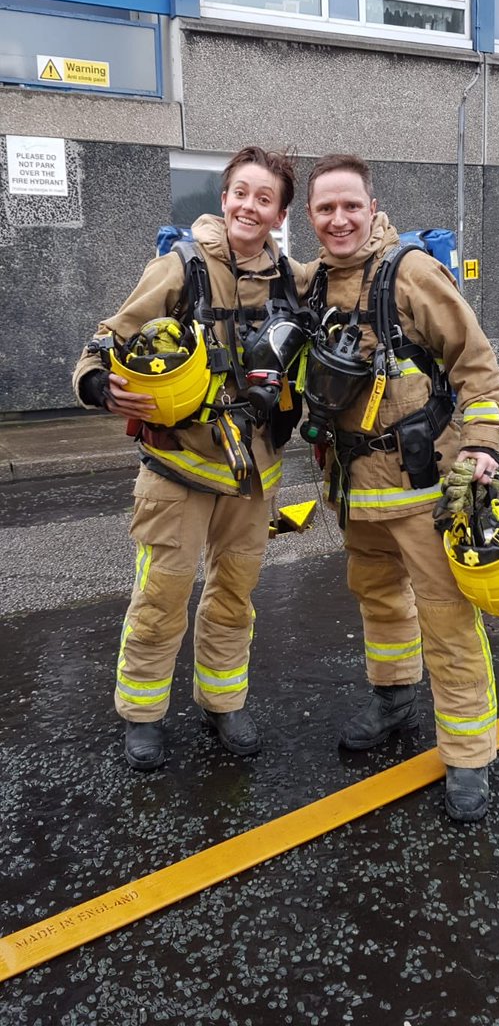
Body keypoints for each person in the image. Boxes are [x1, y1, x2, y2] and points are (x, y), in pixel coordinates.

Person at [73, 146, 309, 771]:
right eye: (241, 193)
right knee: (162, 594)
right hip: (176, 467)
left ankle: (222, 701)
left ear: (281, 213)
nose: (250, 207)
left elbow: (355, 282)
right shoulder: (181, 266)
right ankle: (142, 713)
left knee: (234, 595)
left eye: (265, 198)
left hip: (253, 475)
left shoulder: (290, 279)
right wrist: (97, 383)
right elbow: (110, 335)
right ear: (223, 197)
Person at [302, 154, 499, 822]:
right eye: (324, 208)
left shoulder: (411, 273)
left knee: (448, 621)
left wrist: (478, 447)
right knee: (380, 604)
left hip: (422, 490)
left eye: (349, 206)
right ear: (309, 217)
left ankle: (469, 756)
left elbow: (476, 367)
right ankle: (392, 700)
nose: (338, 219)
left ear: (370, 207)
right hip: (353, 492)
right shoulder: (309, 286)